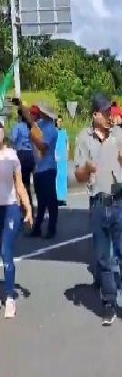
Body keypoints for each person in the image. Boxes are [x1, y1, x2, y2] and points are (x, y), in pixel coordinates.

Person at [74, 94, 122, 326]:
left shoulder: (118, 134)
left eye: (110, 113)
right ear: (95, 115)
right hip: (98, 204)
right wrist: (87, 168)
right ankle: (109, 304)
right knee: (103, 260)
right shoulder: (83, 138)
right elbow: (78, 176)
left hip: (118, 201)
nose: (109, 117)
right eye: (105, 113)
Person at [0, 121, 34, 319]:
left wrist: (28, 207)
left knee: (6, 251)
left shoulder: (12, 156)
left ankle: (10, 297)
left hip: (11, 208)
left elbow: (20, 185)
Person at [25, 103, 58, 239]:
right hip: (39, 168)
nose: (39, 113)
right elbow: (31, 122)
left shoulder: (51, 129)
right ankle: (37, 228)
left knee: (50, 200)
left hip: (48, 168)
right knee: (41, 200)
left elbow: (44, 147)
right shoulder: (40, 125)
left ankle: (51, 229)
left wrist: (33, 138)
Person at [10, 108, 34, 208]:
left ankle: (24, 206)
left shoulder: (18, 126)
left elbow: (13, 139)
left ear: (19, 116)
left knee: (20, 183)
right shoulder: (31, 126)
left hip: (21, 155)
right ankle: (30, 205)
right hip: (31, 155)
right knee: (27, 182)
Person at [55, 116, 69, 206]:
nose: (59, 123)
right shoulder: (54, 132)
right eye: (58, 122)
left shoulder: (64, 132)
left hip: (63, 158)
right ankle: (57, 198)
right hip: (56, 157)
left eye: (61, 121)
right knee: (57, 178)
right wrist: (55, 155)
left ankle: (63, 198)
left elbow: (67, 142)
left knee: (63, 178)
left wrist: (67, 153)